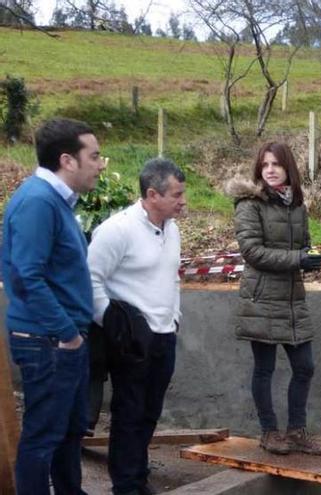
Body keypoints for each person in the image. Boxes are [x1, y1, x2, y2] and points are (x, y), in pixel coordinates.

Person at [1, 117, 105, 494]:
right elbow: (26, 276)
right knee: (43, 436)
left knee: (69, 432)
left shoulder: (54, 202)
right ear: (68, 160)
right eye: (93, 156)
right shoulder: (37, 203)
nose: (100, 163)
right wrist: (66, 334)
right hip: (48, 340)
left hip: (61, 338)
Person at [87, 158, 186, 495]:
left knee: (150, 412)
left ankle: (137, 476)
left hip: (164, 335)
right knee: (129, 412)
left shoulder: (172, 230)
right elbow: (90, 279)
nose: (183, 201)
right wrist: (113, 323)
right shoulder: (117, 230)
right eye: (177, 194)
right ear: (152, 194)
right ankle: (126, 485)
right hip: (130, 340)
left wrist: (175, 318)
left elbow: (172, 278)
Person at [225, 142, 321, 455]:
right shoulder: (248, 204)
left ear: (288, 169)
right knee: (264, 368)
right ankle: (269, 432)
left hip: (293, 299)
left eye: (277, 164)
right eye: (265, 164)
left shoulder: (297, 205)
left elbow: (303, 245)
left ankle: (296, 431)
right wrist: (298, 259)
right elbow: (252, 252)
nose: (270, 169)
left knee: (305, 366)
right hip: (262, 298)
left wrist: (312, 257)